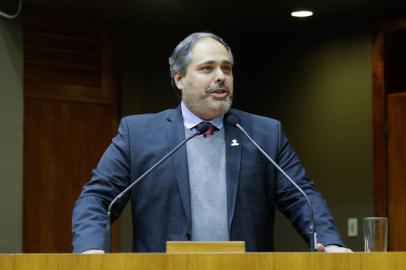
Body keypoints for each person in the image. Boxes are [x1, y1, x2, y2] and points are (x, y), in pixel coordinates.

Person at [72, 32, 351, 253]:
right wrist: (91, 249)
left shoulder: (264, 133)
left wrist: (330, 242)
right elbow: (97, 198)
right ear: (179, 78)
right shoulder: (140, 133)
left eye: (226, 69)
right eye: (207, 68)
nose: (221, 77)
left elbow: (302, 196)